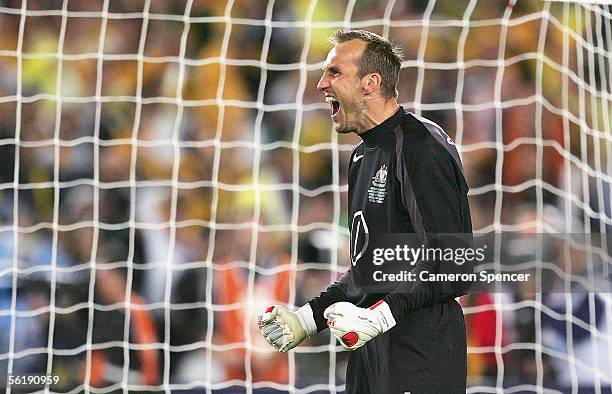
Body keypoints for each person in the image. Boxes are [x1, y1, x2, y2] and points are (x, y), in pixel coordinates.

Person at [258, 30, 473, 393]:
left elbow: (454, 265)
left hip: (421, 352)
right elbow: (369, 269)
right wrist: (308, 318)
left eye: (335, 73)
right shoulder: (361, 156)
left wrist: (380, 315)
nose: (321, 84)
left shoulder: (420, 146)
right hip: (370, 350)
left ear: (370, 82)